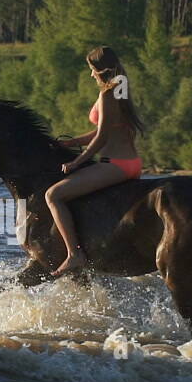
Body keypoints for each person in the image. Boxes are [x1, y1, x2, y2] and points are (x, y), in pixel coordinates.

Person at [47, 46, 145, 277]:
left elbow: (101, 137)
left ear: (100, 69)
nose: (91, 74)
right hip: (132, 163)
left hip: (115, 165)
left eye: (92, 69)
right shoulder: (121, 87)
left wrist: (77, 162)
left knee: (53, 196)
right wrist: (69, 144)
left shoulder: (107, 93)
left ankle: (74, 254)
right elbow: (104, 130)